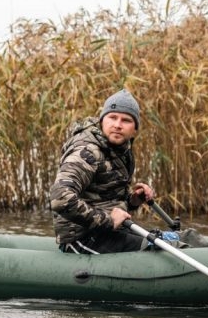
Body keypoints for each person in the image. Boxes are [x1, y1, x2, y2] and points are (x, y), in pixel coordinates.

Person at [50, 88, 155, 253]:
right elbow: (60, 198)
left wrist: (133, 200)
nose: (117, 125)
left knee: (171, 239)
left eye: (126, 120)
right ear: (102, 121)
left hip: (108, 231)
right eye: (112, 117)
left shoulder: (121, 150)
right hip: (82, 237)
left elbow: (104, 199)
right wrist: (107, 220)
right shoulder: (87, 152)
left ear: (135, 129)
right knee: (156, 250)